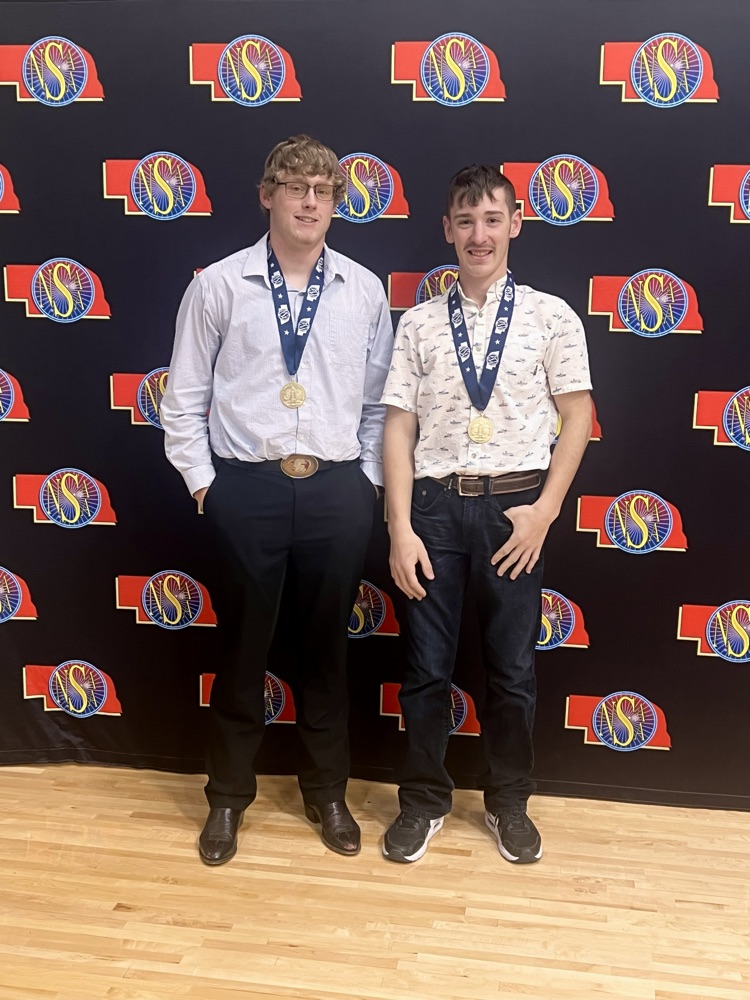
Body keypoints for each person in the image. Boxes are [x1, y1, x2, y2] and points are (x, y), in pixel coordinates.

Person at [160, 135, 393, 865]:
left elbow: (380, 404)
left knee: (327, 651)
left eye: (323, 190)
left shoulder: (364, 289)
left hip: (335, 488)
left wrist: (366, 484)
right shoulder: (219, 286)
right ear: (267, 196)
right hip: (247, 488)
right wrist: (206, 485)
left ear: (336, 203)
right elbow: (183, 396)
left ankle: (327, 793)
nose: (309, 202)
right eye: (295, 187)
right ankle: (228, 798)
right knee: (241, 650)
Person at [380, 164, 592, 865]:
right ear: (447, 229)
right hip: (434, 511)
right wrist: (400, 526)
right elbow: (398, 427)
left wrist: (545, 512)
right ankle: (422, 801)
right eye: (466, 221)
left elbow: (578, 415)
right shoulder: (418, 322)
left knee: (512, 671)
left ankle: (509, 802)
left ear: (515, 224)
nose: (479, 234)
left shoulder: (551, 316)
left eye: (492, 219)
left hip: (515, 510)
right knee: (425, 670)